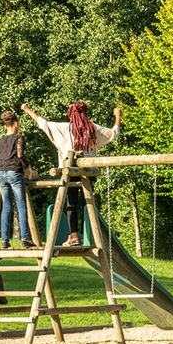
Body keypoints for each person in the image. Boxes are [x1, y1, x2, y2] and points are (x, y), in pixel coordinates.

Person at [21, 102, 121, 246]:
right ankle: (91, 234)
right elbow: (113, 134)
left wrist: (26, 109)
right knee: (88, 202)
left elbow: (43, 123)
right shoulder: (92, 129)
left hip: (71, 169)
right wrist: (118, 117)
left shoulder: (64, 128)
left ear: (71, 114)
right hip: (89, 170)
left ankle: (73, 235)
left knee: (71, 203)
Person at [0, 111, 36, 249]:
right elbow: (20, 154)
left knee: (7, 207)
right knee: (21, 205)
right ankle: (25, 238)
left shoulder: (0, 141)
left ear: (5, 126)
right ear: (15, 124)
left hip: (1, 175)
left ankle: (4, 241)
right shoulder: (18, 137)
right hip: (14, 173)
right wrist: (28, 166)